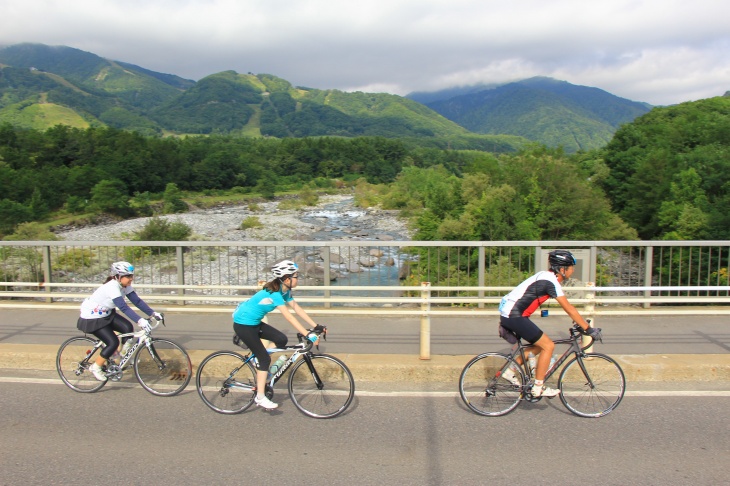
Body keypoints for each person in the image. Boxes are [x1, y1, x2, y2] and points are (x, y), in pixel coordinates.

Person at [498, 249, 601, 397]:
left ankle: (510, 371)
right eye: (571, 267)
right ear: (562, 269)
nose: (573, 270)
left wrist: (579, 322)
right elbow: (569, 308)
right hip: (514, 315)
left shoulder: (545, 276)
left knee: (540, 345)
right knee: (548, 345)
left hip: (511, 314)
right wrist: (588, 329)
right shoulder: (551, 282)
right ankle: (538, 387)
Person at [232, 260, 321, 410]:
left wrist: (316, 326)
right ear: (287, 279)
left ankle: (258, 361)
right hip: (243, 324)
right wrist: (307, 334)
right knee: (265, 359)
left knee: (281, 339)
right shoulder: (275, 293)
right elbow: (289, 317)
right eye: (296, 276)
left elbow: (296, 308)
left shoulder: (284, 290)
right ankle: (260, 397)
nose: (298, 278)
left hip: (254, 322)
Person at [76, 261, 162, 382]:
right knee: (113, 343)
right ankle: (96, 367)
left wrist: (153, 313)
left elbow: (136, 301)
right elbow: (123, 307)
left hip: (107, 314)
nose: (131, 279)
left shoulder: (124, 285)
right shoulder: (112, 287)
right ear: (117, 276)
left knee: (127, 328)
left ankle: (124, 355)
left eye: (132, 276)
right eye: (128, 276)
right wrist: (140, 321)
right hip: (92, 318)